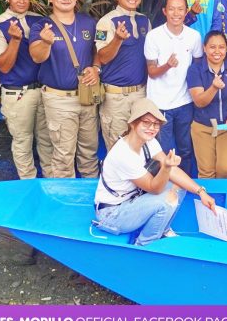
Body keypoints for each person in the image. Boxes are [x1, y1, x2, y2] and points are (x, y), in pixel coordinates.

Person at [93, 98, 217, 246]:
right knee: (166, 200)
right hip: (112, 215)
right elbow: (155, 188)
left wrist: (201, 191)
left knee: (178, 186)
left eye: (156, 124)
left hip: (132, 201)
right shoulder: (123, 154)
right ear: (133, 123)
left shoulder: (149, 141)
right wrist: (166, 167)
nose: (152, 128)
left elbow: (174, 173)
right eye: (146, 122)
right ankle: (146, 243)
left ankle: (162, 230)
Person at [29, 0, 100, 178]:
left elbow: (98, 50)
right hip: (59, 100)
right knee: (63, 155)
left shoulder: (88, 22)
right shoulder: (42, 26)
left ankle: (90, 197)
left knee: (89, 152)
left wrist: (96, 68)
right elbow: (37, 56)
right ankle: (64, 204)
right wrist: (45, 42)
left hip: (87, 97)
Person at [0, 0, 52, 179]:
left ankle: (52, 182)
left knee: (47, 140)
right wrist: (14, 40)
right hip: (18, 94)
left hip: (43, 90)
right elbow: (3, 66)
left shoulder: (39, 20)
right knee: (23, 141)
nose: (21, 1)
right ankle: (28, 184)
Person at [144, 0, 203, 175]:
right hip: (160, 104)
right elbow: (152, 72)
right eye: (171, 9)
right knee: (163, 151)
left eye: (180, 9)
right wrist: (167, 66)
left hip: (185, 102)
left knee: (185, 149)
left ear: (186, 12)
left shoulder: (194, 36)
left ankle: (184, 186)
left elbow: (198, 66)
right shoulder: (154, 36)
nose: (176, 13)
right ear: (164, 11)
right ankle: (162, 187)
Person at [95, 0, 150, 149]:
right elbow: (102, 57)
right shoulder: (106, 22)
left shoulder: (144, 20)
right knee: (117, 147)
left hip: (140, 94)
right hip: (116, 98)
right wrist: (118, 39)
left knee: (141, 145)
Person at [186, 31, 227, 179]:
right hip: (203, 126)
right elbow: (199, 101)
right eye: (212, 47)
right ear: (204, 48)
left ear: (226, 49)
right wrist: (213, 88)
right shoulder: (195, 69)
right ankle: (207, 202)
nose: (217, 51)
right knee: (206, 172)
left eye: (221, 47)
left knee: (225, 169)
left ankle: (222, 202)